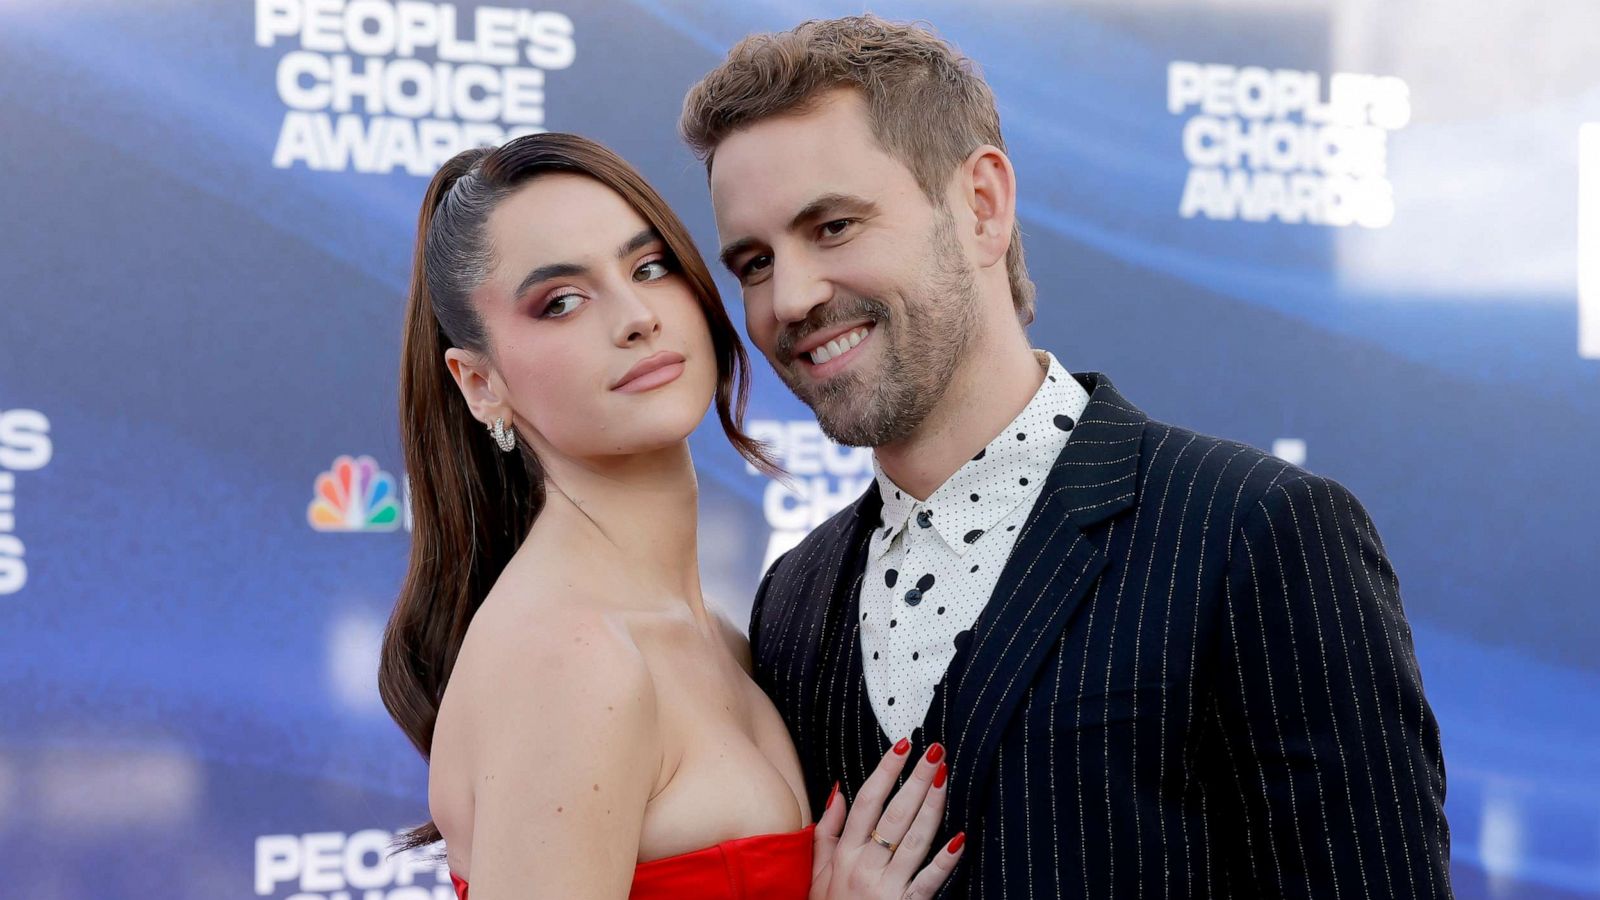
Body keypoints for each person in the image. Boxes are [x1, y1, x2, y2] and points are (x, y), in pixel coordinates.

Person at [683, 15, 1453, 899]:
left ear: (982, 206)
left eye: (833, 227)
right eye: (752, 262)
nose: (791, 297)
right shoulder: (793, 599)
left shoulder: (1255, 534)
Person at [376, 133, 965, 899]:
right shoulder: (573, 658)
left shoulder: (717, 636)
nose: (635, 317)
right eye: (560, 302)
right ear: (481, 383)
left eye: (649, 267)